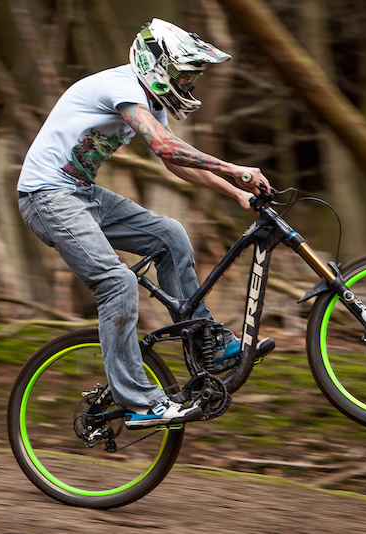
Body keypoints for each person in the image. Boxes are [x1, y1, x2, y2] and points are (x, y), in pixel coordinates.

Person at [17, 18, 273, 429]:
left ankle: (206, 341)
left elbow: (174, 161)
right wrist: (233, 168)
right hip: (46, 198)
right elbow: (164, 144)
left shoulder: (149, 103)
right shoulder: (121, 87)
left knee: (170, 236)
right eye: (186, 76)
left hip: (80, 194)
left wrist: (237, 192)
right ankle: (138, 401)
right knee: (117, 283)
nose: (190, 86)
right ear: (159, 66)